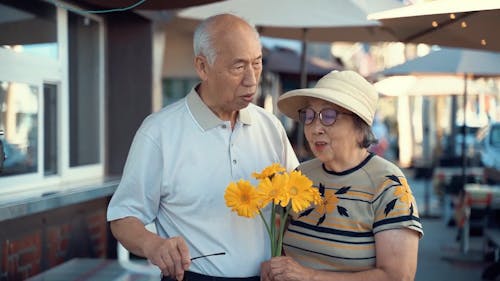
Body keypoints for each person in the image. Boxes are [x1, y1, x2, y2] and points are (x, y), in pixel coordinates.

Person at [107, 14, 299, 281]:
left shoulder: (270, 127)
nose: (252, 80)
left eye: (257, 64)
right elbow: (123, 216)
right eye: (238, 67)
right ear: (202, 66)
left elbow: (296, 202)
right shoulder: (159, 132)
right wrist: (154, 245)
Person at [261, 70, 423, 281]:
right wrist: (273, 266)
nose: (315, 128)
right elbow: (280, 241)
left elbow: (398, 276)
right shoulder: (301, 175)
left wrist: (310, 276)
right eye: (309, 116)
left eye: (328, 116)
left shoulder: (388, 184)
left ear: (359, 127)